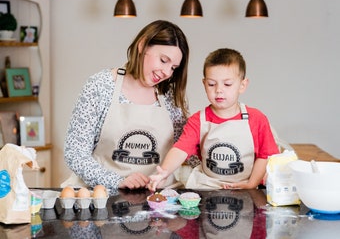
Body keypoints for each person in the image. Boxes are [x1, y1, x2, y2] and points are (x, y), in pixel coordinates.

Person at [63, 20, 190, 190]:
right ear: (142, 45)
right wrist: (117, 181)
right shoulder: (101, 86)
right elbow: (75, 153)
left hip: (159, 200)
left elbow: (186, 148)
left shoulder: (171, 96)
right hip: (104, 197)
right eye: (163, 60)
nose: (167, 72)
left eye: (173, 68)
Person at [148, 48, 280, 190]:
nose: (219, 90)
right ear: (204, 84)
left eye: (227, 84)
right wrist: (165, 171)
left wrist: (251, 184)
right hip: (207, 187)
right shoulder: (198, 120)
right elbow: (180, 149)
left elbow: (265, 155)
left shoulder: (256, 119)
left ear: (242, 85)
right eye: (212, 84)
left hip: (245, 188)